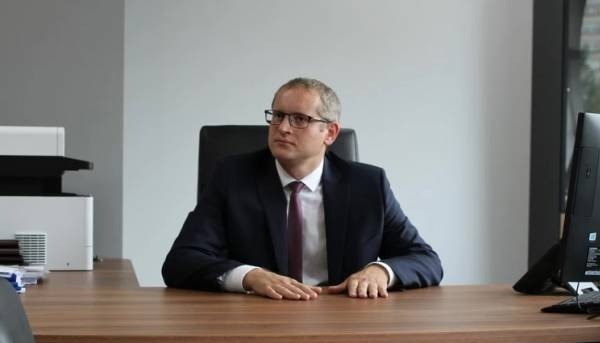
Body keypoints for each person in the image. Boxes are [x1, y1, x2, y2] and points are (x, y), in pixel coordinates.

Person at [162, 77, 442, 300]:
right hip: (258, 318)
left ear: (330, 133)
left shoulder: (368, 185)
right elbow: (181, 261)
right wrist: (249, 276)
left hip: (343, 320)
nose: (283, 127)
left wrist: (381, 271)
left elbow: (425, 259)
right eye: (277, 115)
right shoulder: (233, 177)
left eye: (299, 119)